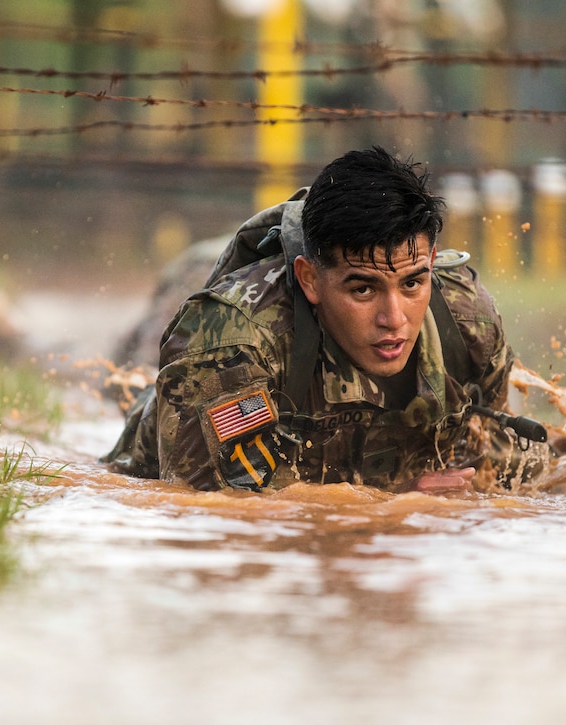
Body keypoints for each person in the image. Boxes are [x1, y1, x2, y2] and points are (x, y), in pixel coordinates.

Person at [104, 147, 518, 494]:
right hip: (184, 417)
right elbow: (223, 511)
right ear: (310, 279)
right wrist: (393, 503)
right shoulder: (230, 342)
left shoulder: (468, 322)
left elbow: (510, 476)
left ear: (430, 263)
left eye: (412, 284)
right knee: (126, 377)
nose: (394, 319)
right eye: (363, 290)